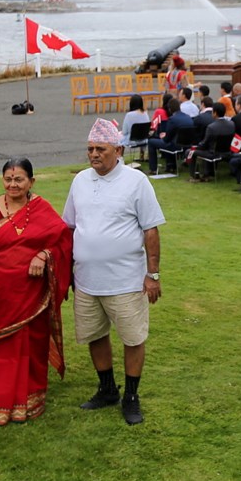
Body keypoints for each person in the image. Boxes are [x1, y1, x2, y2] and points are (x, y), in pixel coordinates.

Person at [63, 119, 166, 426]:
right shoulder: (80, 180)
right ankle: (107, 389)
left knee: (133, 338)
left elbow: (151, 230)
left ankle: (131, 396)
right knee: (95, 334)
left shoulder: (136, 182)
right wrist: (68, 269)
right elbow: (69, 226)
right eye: (90, 149)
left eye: (100, 149)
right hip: (86, 280)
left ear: (118, 150)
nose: (94, 155)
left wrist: (153, 275)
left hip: (125, 280)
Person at [0, 158, 73, 426]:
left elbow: (63, 242)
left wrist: (44, 255)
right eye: (8, 179)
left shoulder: (41, 209)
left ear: (31, 182)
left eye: (19, 179)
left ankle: (28, 403)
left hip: (31, 296)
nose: (13, 184)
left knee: (31, 345)